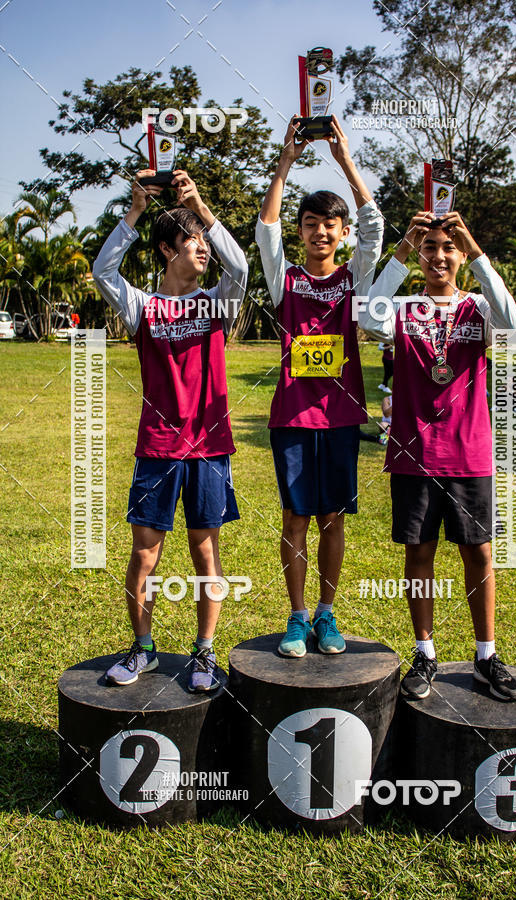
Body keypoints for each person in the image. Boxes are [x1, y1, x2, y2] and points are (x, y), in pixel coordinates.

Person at [93, 169, 248, 691]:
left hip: (208, 448)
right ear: (166, 249)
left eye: (205, 242)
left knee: (206, 552)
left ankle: (205, 653)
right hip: (158, 448)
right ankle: (143, 649)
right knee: (145, 553)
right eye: (192, 242)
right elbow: (103, 273)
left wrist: (202, 208)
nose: (203, 250)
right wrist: (134, 211)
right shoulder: (143, 306)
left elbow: (243, 267)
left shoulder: (216, 303)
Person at [359, 209, 516, 702]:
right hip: (414, 453)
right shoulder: (404, 309)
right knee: (420, 554)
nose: (438, 256)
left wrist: (475, 250)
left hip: (469, 452)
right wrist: (402, 248)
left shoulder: (478, 308)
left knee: (479, 552)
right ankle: (425, 653)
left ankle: (485, 656)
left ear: (460, 254)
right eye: (429, 247)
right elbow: (366, 315)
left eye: (446, 247)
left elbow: (513, 322)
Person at [256, 114, 384, 658]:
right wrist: (286, 161)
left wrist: (343, 156)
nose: (320, 231)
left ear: (341, 233)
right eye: (310, 223)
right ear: (301, 230)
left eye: (330, 224)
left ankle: (328, 616)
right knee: (295, 517)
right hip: (292, 416)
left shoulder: (356, 278)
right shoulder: (284, 276)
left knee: (332, 517)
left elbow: (375, 223)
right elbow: (265, 230)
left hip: (338, 417)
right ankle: (296, 616)